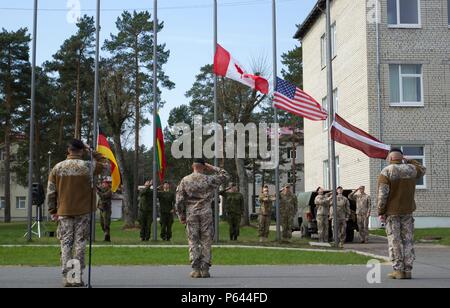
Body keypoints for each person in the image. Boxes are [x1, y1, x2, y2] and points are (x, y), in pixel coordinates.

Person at [47, 139, 107, 287]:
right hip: (83, 211)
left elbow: (51, 191)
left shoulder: (58, 167)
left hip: (64, 211)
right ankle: (76, 277)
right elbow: (105, 163)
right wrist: (91, 150)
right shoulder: (87, 166)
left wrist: (52, 210)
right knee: (80, 243)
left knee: (66, 243)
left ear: (69, 150)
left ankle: (68, 277)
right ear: (81, 150)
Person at [176, 159, 229, 278]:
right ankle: (205, 269)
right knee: (206, 240)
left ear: (192, 166)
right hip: (206, 212)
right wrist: (213, 168)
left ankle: (195, 269)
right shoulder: (209, 179)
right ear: (204, 167)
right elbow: (225, 175)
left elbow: (179, 200)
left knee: (193, 240)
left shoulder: (185, 180)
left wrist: (181, 215)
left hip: (191, 213)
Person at [377, 148, 426, 280]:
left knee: (395, 241)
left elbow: (383, 194)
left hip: (392, 213)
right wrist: (410, 160)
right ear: (401, 158)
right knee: (408, 240)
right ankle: (408, 271)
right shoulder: (411, 169)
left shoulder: (386, 172)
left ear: (391, 158)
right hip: (407, 212)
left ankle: (398, 270)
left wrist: (381, 211)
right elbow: (423, 169)